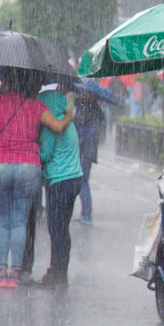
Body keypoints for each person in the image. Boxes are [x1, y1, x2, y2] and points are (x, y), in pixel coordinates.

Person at [0, 69, 73, 287]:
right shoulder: (35, 105)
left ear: (5, 83)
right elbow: (57, 127)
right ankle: (17, 273)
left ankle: (2, 273)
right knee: (20, 221)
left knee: (2, 221)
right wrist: (69, 114)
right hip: (28, 166)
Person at [37, 88, 82, 286]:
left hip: (59, 181)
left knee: (55, 229)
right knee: (63, 227)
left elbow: (45, 155)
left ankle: (56, 272)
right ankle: (60, 271)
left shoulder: (51, 126)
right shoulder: (68, 121)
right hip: (74, 179)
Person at [73, 88, 105, 225]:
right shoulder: (96, 111)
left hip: (84, 151)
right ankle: (86, 212)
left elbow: (78, 126)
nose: (83, 94)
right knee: (83, 182)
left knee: (82, 182)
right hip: (89, 151)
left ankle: (86, 213)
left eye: (86, 92)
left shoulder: (86, 110)